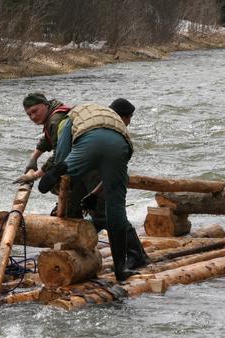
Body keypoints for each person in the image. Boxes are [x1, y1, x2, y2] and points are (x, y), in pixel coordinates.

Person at [16, 102, 145, 282]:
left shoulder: (72, 116)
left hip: (87, 143)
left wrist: (59, 169)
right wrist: (94, 194)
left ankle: (56, 174)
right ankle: (120, 270)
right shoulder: (117, 123)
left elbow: (62, 148)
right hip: (120, 146)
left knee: (67, 169)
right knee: (116, 212)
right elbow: (112, 176)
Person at [21, 93, 72, 174]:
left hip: (88, 153)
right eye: (29, 114)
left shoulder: (54, 121)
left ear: (46, 105)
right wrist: (33, 158)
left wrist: (36, 175)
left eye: (35, 111)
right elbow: (48, 138)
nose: (33, 117)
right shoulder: (54, 113)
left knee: (45, 184)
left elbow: (59, 154)